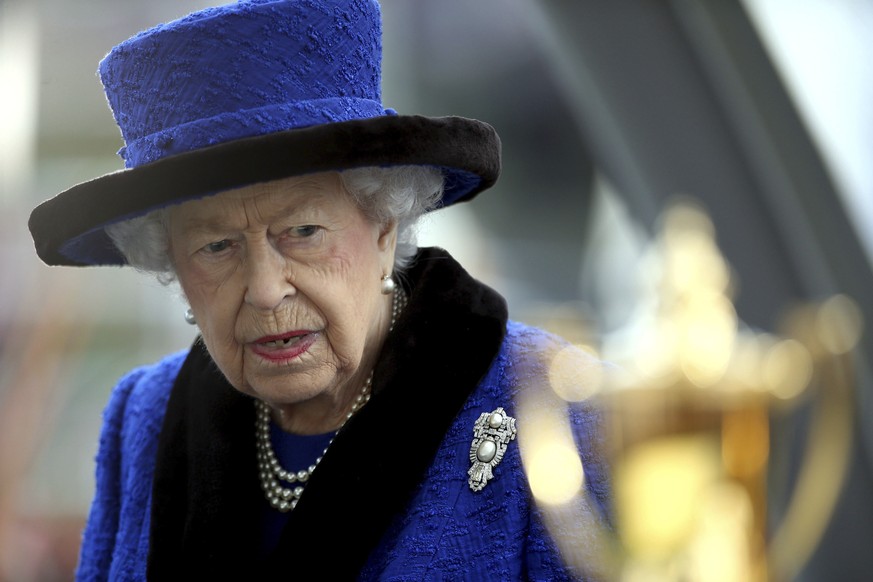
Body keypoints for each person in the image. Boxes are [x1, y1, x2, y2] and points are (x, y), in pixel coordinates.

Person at [29, 0, 609, 579]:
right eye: (216, 247)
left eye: (302, 232)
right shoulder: (144, 418)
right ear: (173, 266)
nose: (264, 289)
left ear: (384, 225)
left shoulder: (556, 412)